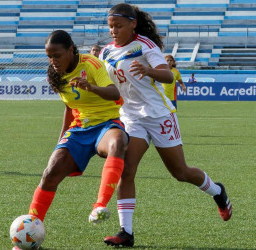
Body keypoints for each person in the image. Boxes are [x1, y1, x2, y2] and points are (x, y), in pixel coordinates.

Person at [99, 3, 232, 247]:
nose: (113, 31)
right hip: (131, 116)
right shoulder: (106, 52)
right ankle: (125, 232)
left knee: (180, 173)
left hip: (159, 116)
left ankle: (217, 191)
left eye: (118, 25)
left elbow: (168, 75)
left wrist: (149, 70)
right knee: (126, 169)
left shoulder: (145, 46)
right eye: (110, 26)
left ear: (133, 24)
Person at [25, 30, 129, 233]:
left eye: (57, 55)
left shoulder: (91, 63)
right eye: (49, 56)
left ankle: (99, 205)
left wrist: (90, 87)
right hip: (80, 128)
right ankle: (29, 229)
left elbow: (114, 93)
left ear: (70, 50)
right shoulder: (55, 74)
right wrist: (61, 141)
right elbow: (69, 108)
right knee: (50, 173)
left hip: (107, 124)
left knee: (117, 142)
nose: (53, 61)